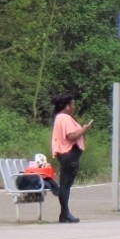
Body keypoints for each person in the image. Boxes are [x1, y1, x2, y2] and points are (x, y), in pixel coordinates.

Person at [50, 90, 92, 223]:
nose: (74, 107)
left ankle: (64, 213)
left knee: (65, 184)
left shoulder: (59, 117)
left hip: (65, 154)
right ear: (67, 106)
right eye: (73, 104)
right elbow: (71, 136)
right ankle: (65, 213)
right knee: (66, 185)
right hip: (69, 154)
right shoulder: (65, 118)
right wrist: (84, 129)